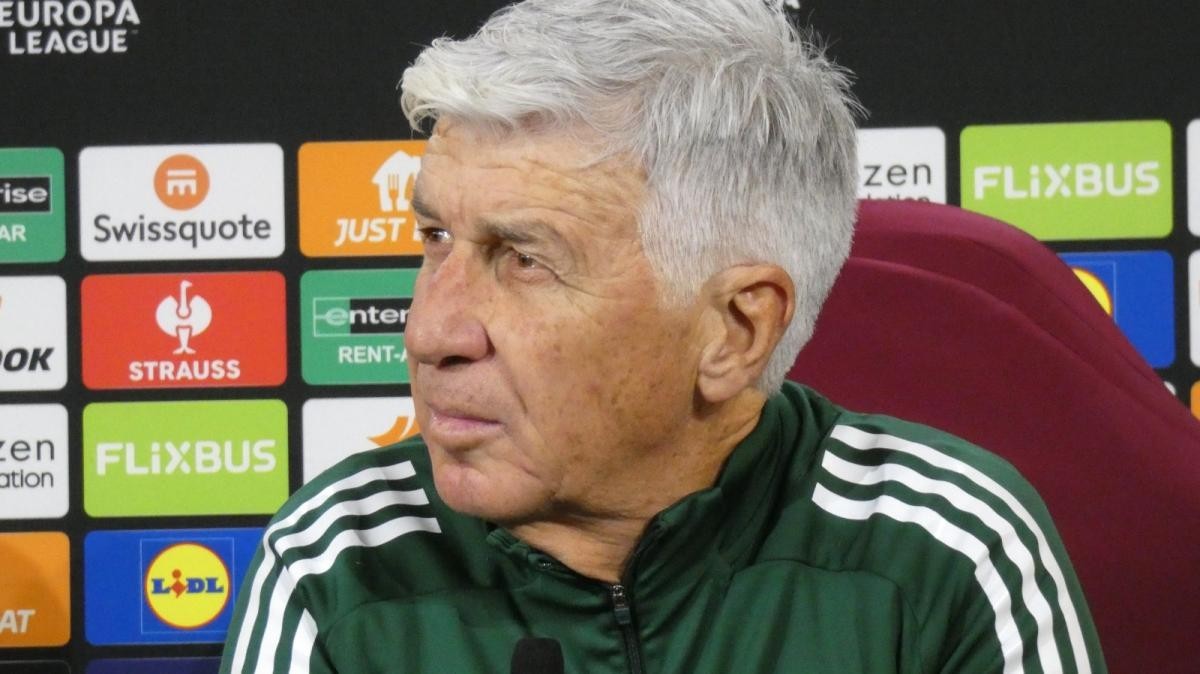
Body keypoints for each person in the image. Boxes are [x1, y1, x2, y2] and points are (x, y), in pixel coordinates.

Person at [220, 0, 1106, 671]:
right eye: (436, 237)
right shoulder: (340, 564)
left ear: (734, 330)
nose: (429, 330)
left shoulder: (946, 551)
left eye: (523, 259)